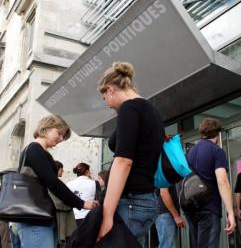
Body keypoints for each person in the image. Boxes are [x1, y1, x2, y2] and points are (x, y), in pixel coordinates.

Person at [96, 62, 164, 245]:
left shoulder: (129, 108)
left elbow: (123, 161)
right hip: (144, 200)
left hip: (131, 202)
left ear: (110, 90)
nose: (107, 105)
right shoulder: (150, 110)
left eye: (104, 98)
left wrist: (107, 215)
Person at [15, 115, 98, 248]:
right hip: (35, 219)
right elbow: (53, 183)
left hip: (38, 217)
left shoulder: (37, 150)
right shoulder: (34, 149)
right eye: (59, 133)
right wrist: (81, 203)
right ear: (46, 128)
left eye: (63, 137)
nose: (60, 139)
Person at [184, 118, 235, 248]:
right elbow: (222, 181)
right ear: (217, 133)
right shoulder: (217, 151)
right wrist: (230, 213)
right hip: (209, 207)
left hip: (191, 207)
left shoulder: (190, 152)